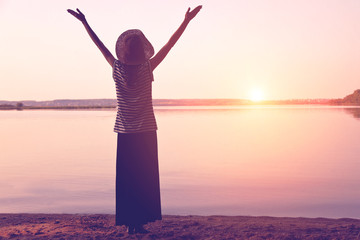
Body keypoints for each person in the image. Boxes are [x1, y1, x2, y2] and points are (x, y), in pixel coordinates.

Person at [67, 5, 202, 234]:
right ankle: (138, 223)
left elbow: (99, 45)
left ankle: (131, 225)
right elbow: (170, 44)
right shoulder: (148, 67)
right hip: (146, 131)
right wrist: (186, 21)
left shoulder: (116, 67)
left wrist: (84, 22)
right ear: (142, 51)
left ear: (125, 51)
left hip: (125, 132)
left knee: (128, 179)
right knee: (144, 178)